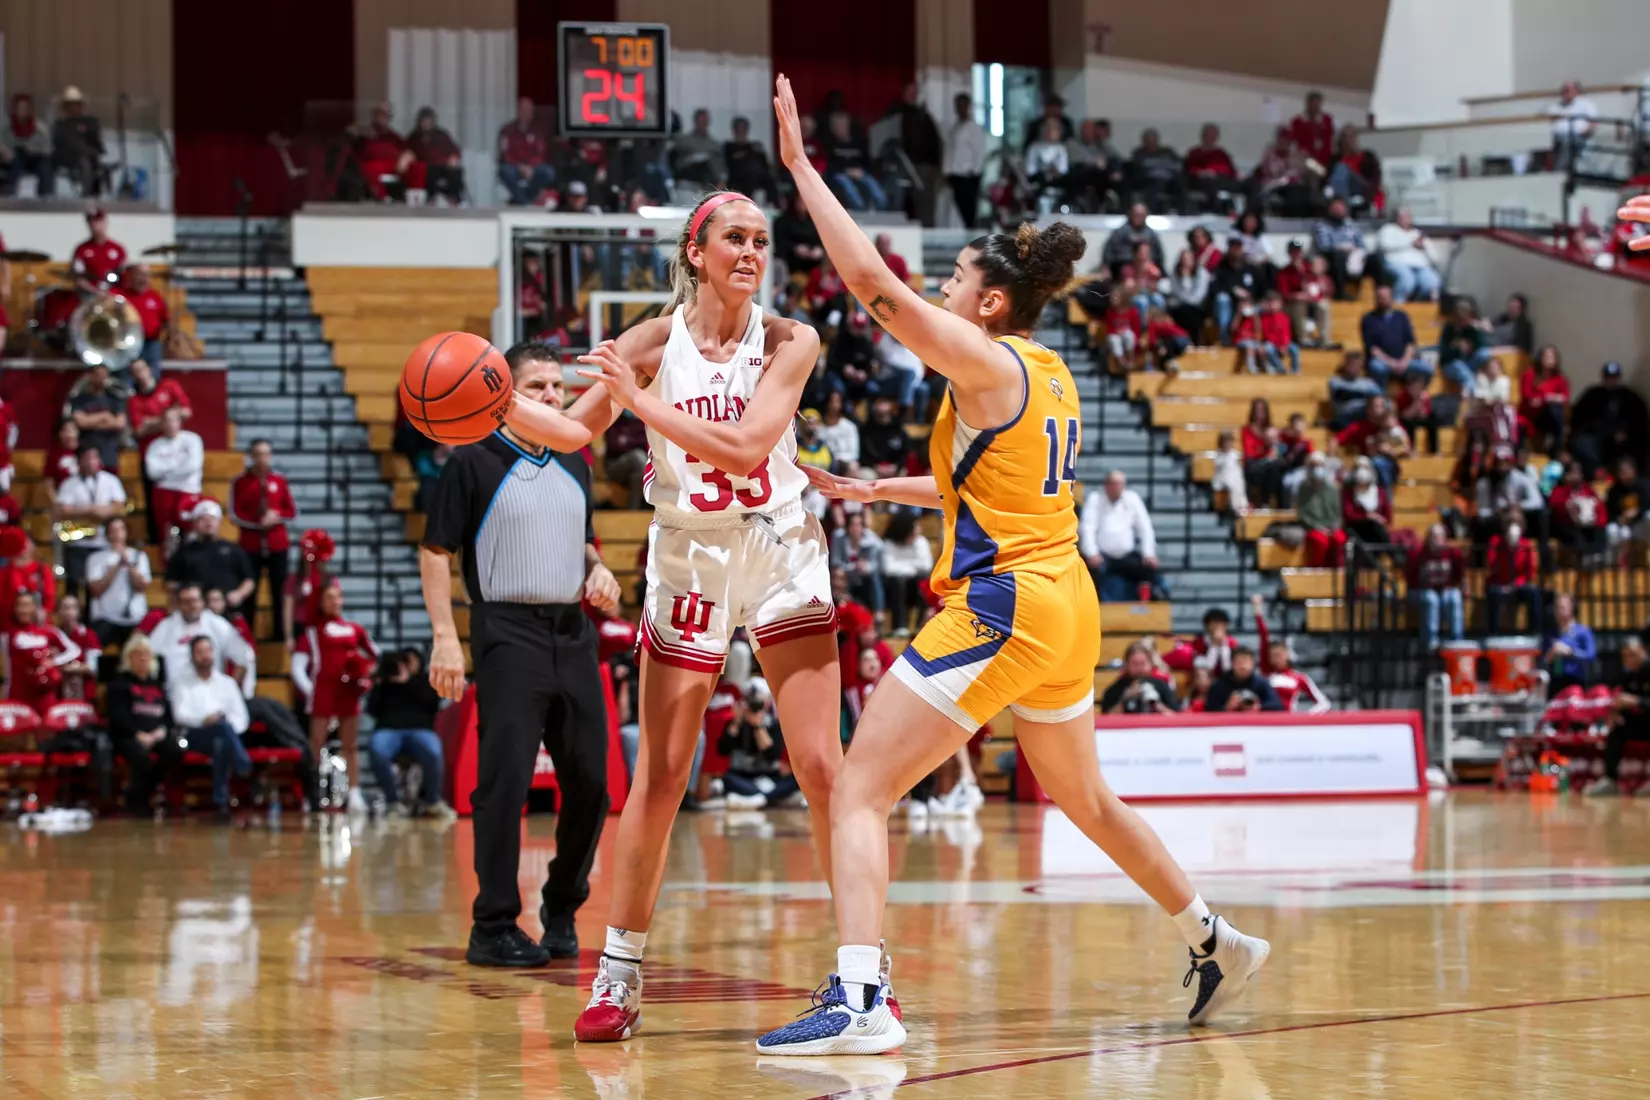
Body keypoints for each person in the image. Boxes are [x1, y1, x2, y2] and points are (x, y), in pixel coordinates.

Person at [753, 74, 1270, 1056]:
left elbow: (874, 290)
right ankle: (1212, 936)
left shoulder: (984, 362)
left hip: (1007, 603)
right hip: (1063, 601)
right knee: (1087, 798)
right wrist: (874, 489)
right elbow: (987, 490)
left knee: (858, 786)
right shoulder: (1048, 372)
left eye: (954, 282)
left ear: (989, 303)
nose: (941, 291)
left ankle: (861, 997)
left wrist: (804, 173)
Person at [506, 186, 847, 1038]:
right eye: (735, 238)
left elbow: (743, 445)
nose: (752, 252)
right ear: (695, 252)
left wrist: (640, 398)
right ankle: (618, 978)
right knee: (660, 778)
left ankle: (862, 978)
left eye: (763, 240)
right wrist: (487, 409)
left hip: (777, 547)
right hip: (690, 550)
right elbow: (574, 434)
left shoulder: (790, 341)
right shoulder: (650, 342)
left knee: (823, 771)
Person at [420, 342, 622, 970]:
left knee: (592, 782)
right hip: (506, 632)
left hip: (573, 633)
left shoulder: (576, 460)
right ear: (502, 396)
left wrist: (601, 570)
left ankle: (561, 907)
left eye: (559, 388)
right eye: (537, 387)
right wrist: (445, 637)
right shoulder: (473, 462)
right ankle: (494, 924)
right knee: (503, 784)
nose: (553, 399)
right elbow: (434, 551)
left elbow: (580, 540)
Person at [291, 585, 377, 814]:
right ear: (320, 602)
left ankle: (354, 793)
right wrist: (312, 691)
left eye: (337, 596)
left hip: (348, 694)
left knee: (350, 745)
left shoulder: (355, 629)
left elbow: (374, 657)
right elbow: (297, 668)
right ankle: (313, 794)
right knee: (316, 744)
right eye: (328, 597)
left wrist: (364, 679)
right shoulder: (312, 632)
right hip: (323, 694)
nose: (334, 601)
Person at [169, 635, 251, 820]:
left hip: (225, 735)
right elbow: (180, 715)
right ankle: (243, 763)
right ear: (192, 656)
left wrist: (226, 728)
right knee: (221, 729)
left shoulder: (227, 683)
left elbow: (242, 718)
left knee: (221, 740)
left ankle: (220, 802)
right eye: (200, 652)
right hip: (193, 735)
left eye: (208, 651)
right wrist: (204, 720)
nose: (205, 656)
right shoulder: (182, 683)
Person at [365, 648, 453, 819]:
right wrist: (379, 682)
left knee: (434, 752)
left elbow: (433, 704)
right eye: (404, 660)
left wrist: (408, 682)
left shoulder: (426, 681)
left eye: (412, 660)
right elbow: (372, 710)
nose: (408, 664)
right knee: (377, 750)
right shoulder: (385, 682)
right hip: (388, 729)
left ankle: (432, 801)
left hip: (420, 729)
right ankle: (393, 802)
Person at [230, 438, 298, 640]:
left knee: (279, 590)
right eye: (258, 454)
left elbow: (292, 510)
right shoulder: (240, 481)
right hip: (250, 546)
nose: (262, 458)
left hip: (278, 545)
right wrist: (258, 522)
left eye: (266, 453)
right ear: (251, 456)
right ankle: (247, 634)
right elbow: (235, 514)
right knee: (250, 592)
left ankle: (279, 634)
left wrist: (276, 517)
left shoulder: (279, 480)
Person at [106, 633, 179, 817]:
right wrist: (137, 734)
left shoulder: (158, 684)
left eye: (146, 654)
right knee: (141, 757)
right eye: (138, 654)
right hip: (128, 736)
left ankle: (143, 793)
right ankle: (137, 799)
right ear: (129, 657)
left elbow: (168, 715)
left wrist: (161, 731)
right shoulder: (119, 685)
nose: (143, 658)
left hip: (156, 734)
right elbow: (117, 716)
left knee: (175, 750)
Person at [1583, 637, 1650, 796]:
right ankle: (1610, 780)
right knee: (1617, 730)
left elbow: (1635, 701)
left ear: (1643, 651)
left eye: (1633, 654)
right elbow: (1619, 701)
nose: (1629, 659)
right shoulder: (1626, 676)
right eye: (1625, 656)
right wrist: (1615, 713)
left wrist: (1637, 701)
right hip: (1641, 724)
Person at [1570, 362, 1649, 478]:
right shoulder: (1592, 395)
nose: (1611, 380)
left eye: (1614, 377)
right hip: (1597, 438)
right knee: (1581, 443)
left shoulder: (1631, 397)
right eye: (1608, 377)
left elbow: (1639, 421)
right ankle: (1598, 473)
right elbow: (1579, 419)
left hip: (1623, 441)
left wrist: (1624, 432)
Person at [1406, 524, 1465, 650]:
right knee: (1431, 598)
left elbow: (1459, 576)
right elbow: (1410, 578)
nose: (1437, 539)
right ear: (1428, 538)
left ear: (1445, 538)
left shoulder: (1453, 553)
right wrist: (1425, 586)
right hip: (1420, 591)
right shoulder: (1418, 553)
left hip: (1444, 590)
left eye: (1440, 536)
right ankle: (1431, 640)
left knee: (1454, 596)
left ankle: (1457, 639)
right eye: (1434, 536)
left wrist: (1453, 587)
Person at [944, 93, 987, 228]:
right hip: (956, 174)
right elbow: (950, 151)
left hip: (968, 175)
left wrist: (976, 171)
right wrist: (947, 170)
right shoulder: (955, 126)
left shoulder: (974, 127)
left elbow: (979, 151)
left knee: (969, 210)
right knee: (959, 207)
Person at [1100, 642, 1180, 714]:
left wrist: (1156, 705)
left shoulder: (1162, 686)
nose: (1139, 668)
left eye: (1142, 663)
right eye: (1135, 663)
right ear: (1127, 664)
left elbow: (1176, 717)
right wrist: (1125, 699)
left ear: (1150, 663)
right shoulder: (1116, 689)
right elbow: (1107, 719)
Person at [1203, 646, 1284, 712]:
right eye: (1238, 662)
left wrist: (1258, 707)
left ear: (1253, 664)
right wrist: (1227, 707)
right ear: (1232, 664)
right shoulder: (1220, 685)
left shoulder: (1262, 683)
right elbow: (1209, 709)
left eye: (1246, 661)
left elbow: (1277, 705)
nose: (1242, 666)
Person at [1543, 593, 1596, 695]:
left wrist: (1570, 652)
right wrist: (1550, 656)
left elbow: (1591, 656)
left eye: (1562, 608)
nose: (1558, 612)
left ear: (1572, 609)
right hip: (1555, 680)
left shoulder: (1583, 632)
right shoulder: (1550, 635)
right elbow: (1542, 660)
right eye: (1556, 608)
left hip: (1575, 681)